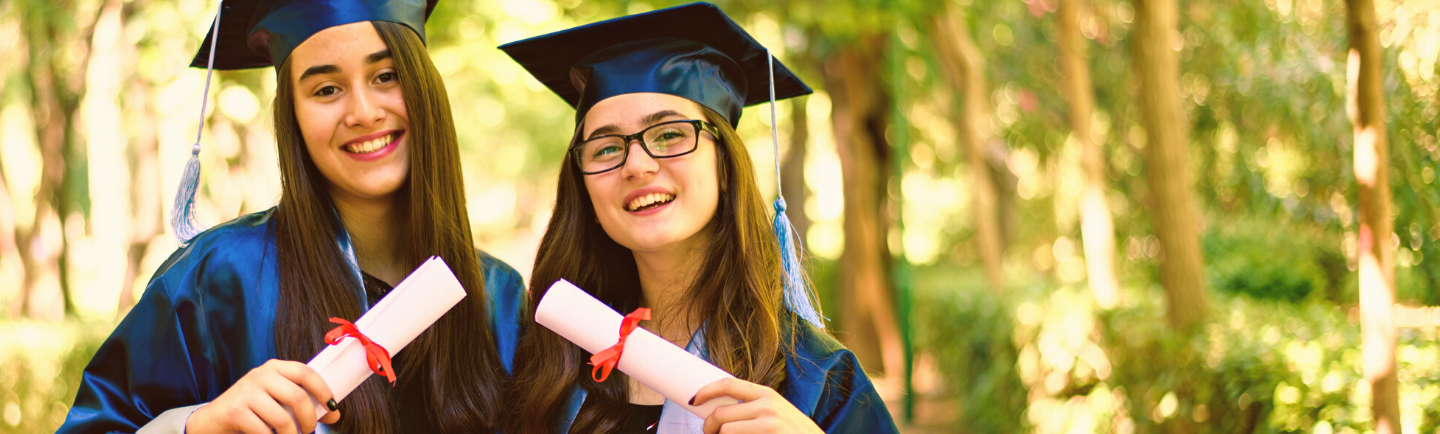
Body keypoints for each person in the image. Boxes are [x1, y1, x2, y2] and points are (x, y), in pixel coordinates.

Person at [57, 0, 524, 433]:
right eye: (326, 89)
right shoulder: (217, 279)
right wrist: (199, 425)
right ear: (293, 116)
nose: (363, 112)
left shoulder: (499, 298)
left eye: (386, 75)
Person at [499, 3, 900, 433]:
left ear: (725, 168)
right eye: (606, 148)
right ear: (585, 194)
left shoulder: (816, 378)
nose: (636, 165)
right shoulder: (551, 363)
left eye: (669, 134)